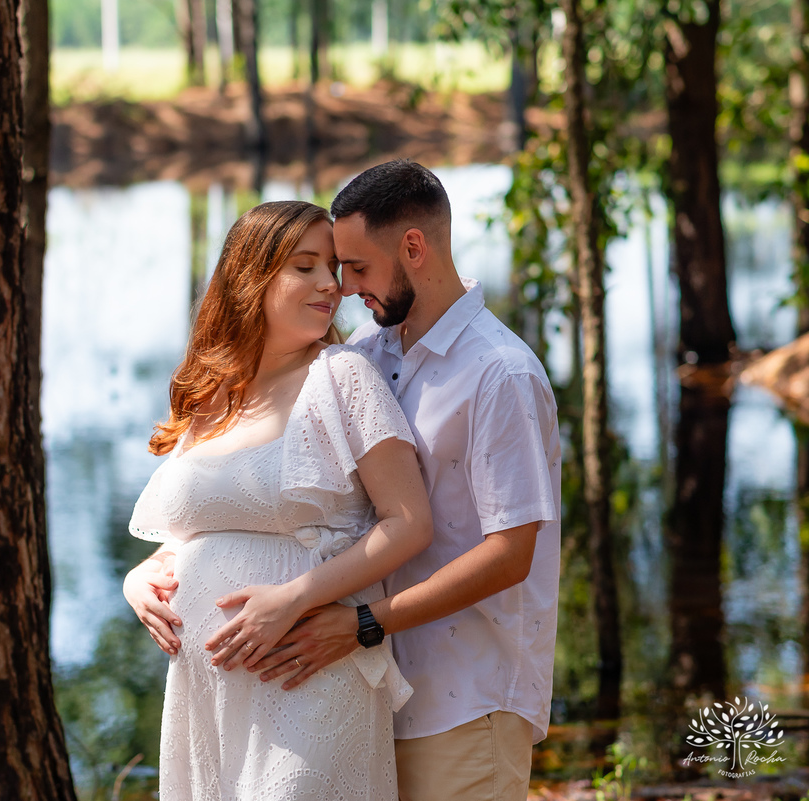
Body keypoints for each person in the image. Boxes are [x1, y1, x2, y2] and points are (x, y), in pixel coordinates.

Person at [247, 160, 562, 801]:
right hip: (369, 694)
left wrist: (365, 622)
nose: (343, 288)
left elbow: (511, 554)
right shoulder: (368, 350)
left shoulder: (500, 374)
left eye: (357, 268)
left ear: (413, 248)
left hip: (468, 699)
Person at [123, 199, 433, 800]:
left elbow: (409, 523)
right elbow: (194, 534)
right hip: (206, 685)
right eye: (305, 266)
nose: (332, 285)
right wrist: (141, 580)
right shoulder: (212, 395)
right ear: (252, 278)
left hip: (305, 669)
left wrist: (293, 599)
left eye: (334, 268)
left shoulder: (342, 377)